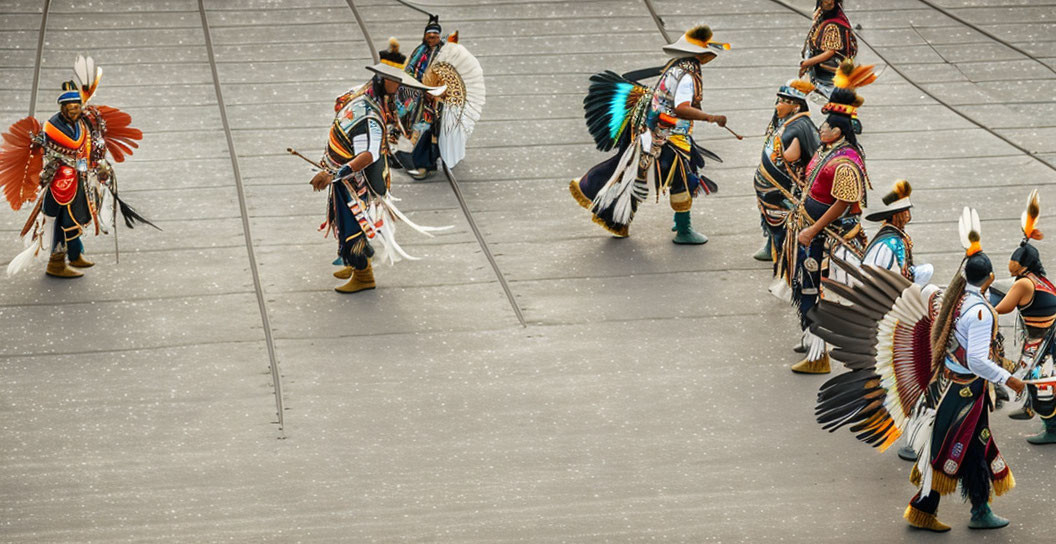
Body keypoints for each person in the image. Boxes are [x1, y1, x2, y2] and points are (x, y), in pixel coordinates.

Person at [903, 210, 1024, 531]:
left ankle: (968, 508)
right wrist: (1008, 378)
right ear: (988, 279)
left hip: (951, 387)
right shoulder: (980, 312)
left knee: (968, 446)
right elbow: (977, 361)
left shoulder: (954, 300)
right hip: (967, 392)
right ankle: (964, 510)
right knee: (957, 448)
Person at [570, 24, 730, 243]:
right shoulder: (686, 75)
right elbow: (682, 107)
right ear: (701, 55)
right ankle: (683, 229)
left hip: (663, 133)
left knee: (652, 173)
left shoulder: (676, 67)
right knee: (681, 179)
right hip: (668, 138)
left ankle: (677, 223)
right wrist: (711, 117)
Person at [1, 56, 148, 278]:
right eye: (70, 107)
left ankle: (76, 254)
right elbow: (69, 147)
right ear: (62, 108)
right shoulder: (53, 127)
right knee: (59, 223)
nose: (74, 110)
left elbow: (93, 148)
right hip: (60, 184)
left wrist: (101, 165)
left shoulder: (84, 123)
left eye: (77, 106)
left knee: (77, 219)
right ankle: (56, 263)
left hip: (80, 181)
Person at [308, 62, 445, 293]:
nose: (397, 85)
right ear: (380, 80)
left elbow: (368, 155)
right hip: (347, 179)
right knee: (346, 223)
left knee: (353, 225)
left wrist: (331, 173)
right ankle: (353, 263)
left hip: (357, 182)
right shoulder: (362, 97)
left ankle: (363, 275)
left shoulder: (370, 118)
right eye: (394, 81)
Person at [787, 59, 875, 374]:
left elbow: (841, 204)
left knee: (817, 292)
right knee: (807, 288)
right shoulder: (829, 151)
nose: (820, 128)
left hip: (829, 240)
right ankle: (812, 339)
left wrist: (812, 231)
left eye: (824, 126)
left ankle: (819, 356)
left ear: (837, 131)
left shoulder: (845, 162)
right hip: (813, 233)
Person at [991, 190, 1056, 444]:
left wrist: (984, 297)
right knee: (1035, 378)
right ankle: (1030, 406)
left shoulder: (1023, 285)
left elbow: (1002, 308)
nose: (1011, 266)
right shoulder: (1040, 279)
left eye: (1014, 263)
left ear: (1023, 265)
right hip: (1046, 338)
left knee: (1040, 383)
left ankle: (1051, 427)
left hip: (1040, 342)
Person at [753, 78, 819, 262]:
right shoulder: (781, 123)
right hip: (769, 189)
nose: (777, 106)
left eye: (782, 102)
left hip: (786, 190)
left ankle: (785, 250)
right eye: (778, 101)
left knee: (784, 218)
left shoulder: (801, 127)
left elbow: (804, 158)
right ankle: (771, 244)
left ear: (796, 106)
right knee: (769, 217)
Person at [800, 0, 857, 100]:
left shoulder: (832, 26)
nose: (825, 6)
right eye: (824, 2)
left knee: (829, 101)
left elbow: (830, 52)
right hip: (822, 74)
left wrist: (806, 63)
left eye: (829, 3)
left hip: (827, 75)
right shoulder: (823, 21)